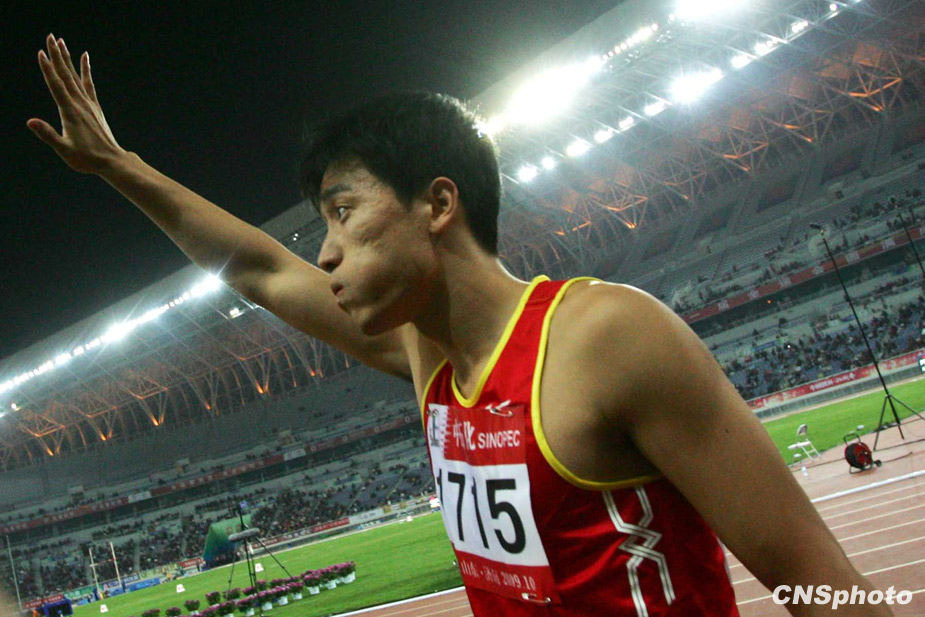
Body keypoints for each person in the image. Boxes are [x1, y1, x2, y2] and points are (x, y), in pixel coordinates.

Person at [29, 34, 892, 616]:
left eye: (342, 212)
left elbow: (821, 585)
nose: (324, 252)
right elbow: (261, 270)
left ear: (437, 203)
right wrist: (118, 166)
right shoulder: (430, 358)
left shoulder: (608, 337)